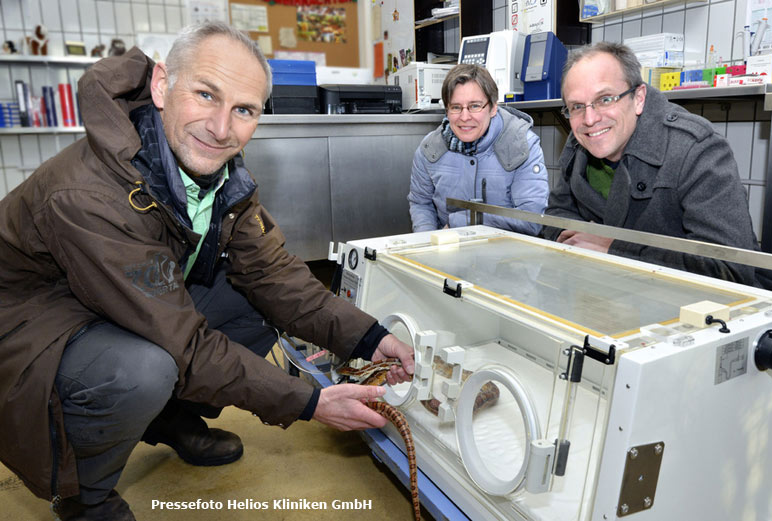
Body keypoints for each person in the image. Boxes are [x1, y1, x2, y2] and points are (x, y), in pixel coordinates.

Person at [0, 22, 415, 521]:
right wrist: (309, 402)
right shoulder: (90, 193)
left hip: (120, 299)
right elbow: (183, 343)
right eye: (205, 94)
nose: (222, 128)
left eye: (243, 110)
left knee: (257, 302)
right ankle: (82, 496)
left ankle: (170, 417)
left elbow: (276, 276)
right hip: (34, 329)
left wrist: (370, 339)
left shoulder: (220, 176)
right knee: (143, 369)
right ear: (161, 86)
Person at [543, 41, 772, 290]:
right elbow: (556, 216)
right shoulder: (580, 142)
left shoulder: (695, 148)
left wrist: (612, 246)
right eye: (577, 106)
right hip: (620, 292)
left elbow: (728, 268)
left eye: (605, 99)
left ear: (639, 98)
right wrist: (579, 240)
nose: (590, 119)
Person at [408, 64, 549, 234]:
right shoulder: (430, 150)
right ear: (446, 110)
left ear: (493, 107)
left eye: (475, 106)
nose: (465, 117)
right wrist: (426, 243)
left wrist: (461, 222)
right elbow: (421, 203)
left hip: (508, 256)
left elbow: (531, 219)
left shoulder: (521, 147)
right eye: (456, 107)